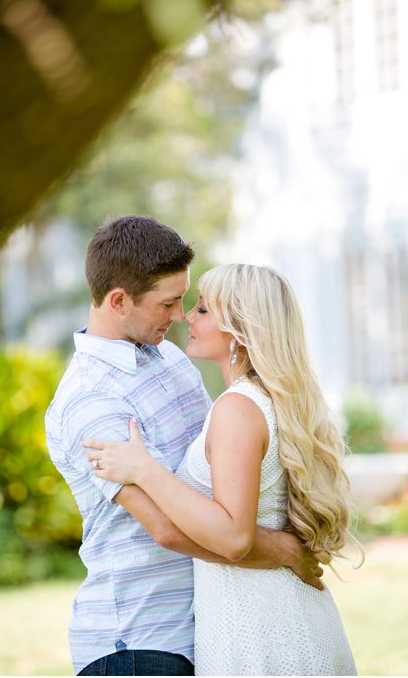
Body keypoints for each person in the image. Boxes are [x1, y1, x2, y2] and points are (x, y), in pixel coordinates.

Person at [46, 217, 321, 677]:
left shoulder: (171, 358)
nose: (179, 316)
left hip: (209, 628)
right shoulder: (89, 401)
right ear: (118, 301)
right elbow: (165, 528)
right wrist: (286, 552)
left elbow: (222, 470)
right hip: (138, 642)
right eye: (169, 303)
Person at [85, 263, 358, 676]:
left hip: (261, 630)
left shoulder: (238, 408)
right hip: (280, 615)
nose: (186, 316)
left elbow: (233, 537)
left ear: (240, 329)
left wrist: (144, 470)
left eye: (203, 310)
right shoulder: (262, 401)